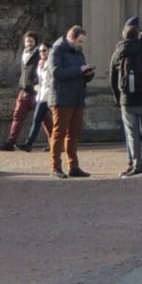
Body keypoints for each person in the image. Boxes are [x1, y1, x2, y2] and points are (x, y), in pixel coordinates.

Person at [108, 15, 142, 176]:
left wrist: (118, 98)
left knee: (132, 134)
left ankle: (137, 164)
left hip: (126, 99)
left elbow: (112, 77)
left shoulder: (118, 51)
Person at [48, 26, 95, 178]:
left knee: (73, 134)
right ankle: (55, 167)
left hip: (77, 97)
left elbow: (79, 72)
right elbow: (56, 72)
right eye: (80, 41)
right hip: (61, 97)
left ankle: (73, 166)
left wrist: (88, 74)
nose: (81, 45)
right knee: (58, 133)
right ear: (71, 38)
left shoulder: (78, 52)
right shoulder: (57, 50)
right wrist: (79, 70)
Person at [0, 32, 40, 150]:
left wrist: (35, 84)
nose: (29, 43)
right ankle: (11, 142)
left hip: (35, 91)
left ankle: (55, 142)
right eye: (27, 41)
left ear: (35, 42)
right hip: (24, 90)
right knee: (17, 116)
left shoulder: (38, 54)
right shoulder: (24, 54)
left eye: (31, 41)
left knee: (43, 118)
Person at [19, 42, 53, 152]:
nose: (42, 53)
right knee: (37, 120)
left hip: (52, 96)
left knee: (57, 122)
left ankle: (58, 144)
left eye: (44, 50)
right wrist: (36, 86)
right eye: (40, 51)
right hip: (42, 96)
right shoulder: (39, 63)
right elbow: (38, 79)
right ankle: (28, 144)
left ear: (49, 51)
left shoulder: (53, 63)